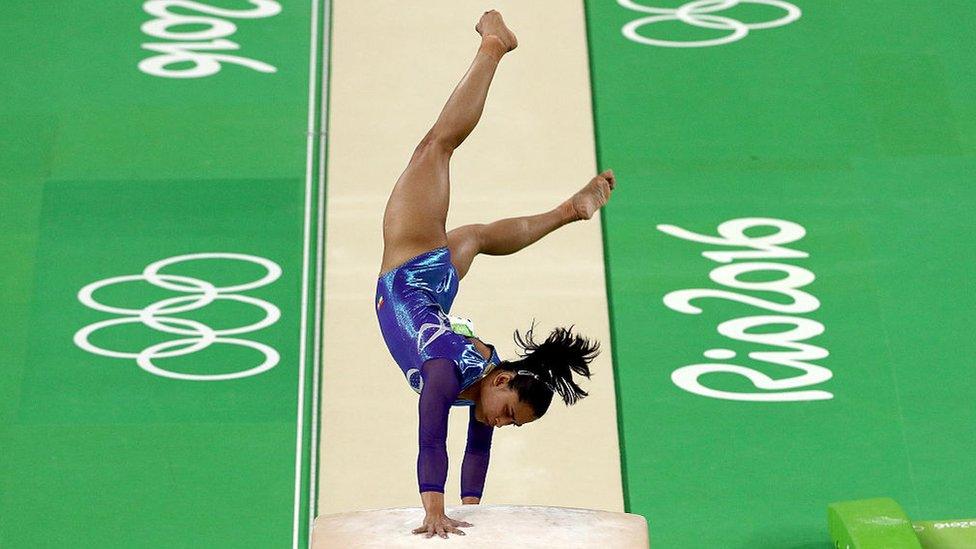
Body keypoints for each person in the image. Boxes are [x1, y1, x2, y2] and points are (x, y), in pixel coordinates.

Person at [374, 10, 615, 540]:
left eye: (511, 423)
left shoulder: (487, 380)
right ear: (502, 380)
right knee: (435, 146)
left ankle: (567, 212)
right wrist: (433, 510)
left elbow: (475, 453)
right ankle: (493, 46)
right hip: (409, 267)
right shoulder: (444, 373)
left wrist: (473, 515)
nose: (502, 423)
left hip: (435, 291)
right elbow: (432, 438)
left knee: (478, 238)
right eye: (509, 413)